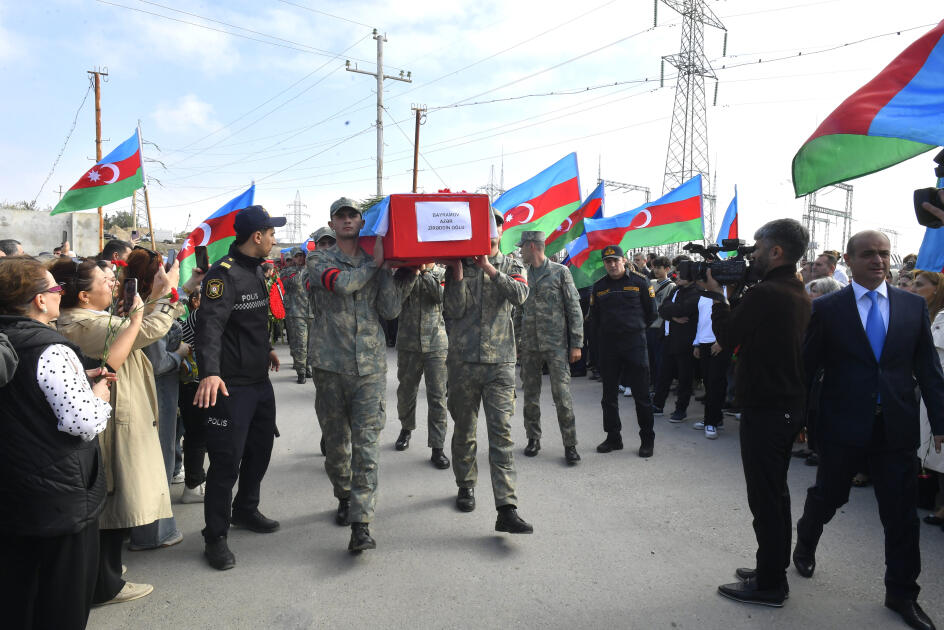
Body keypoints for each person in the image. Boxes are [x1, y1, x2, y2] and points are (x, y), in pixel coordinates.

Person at [794, 230, 944, 630]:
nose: (878, 261)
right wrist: (796, 421)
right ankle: (805, 540)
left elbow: (928, 369)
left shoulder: (912, 307)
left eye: (884, 254)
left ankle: (902, 594)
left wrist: (941, 421)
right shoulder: (827, 308)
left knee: (901, 516)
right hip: (842, 424)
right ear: (849, 259)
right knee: (830, 495)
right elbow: (807, 368)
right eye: (868, 255)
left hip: (896, 427)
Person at [695, 219, 812, 607]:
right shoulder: (793, 290)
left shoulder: (767, 294)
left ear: (776, 252)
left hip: (767, 407)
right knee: (775, 496)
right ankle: (770, 569)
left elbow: (728, 338)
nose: (752, 255)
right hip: (784, 406)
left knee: (765, 499)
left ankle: (770, 585)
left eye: (758, 247)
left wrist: (718, 296)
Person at [53, 256, 181, 605]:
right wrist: (164, 298)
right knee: (114, 503)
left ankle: (106, 574)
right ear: (82, 296)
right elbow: (143, 331)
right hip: (113, 422)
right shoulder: (79, 324)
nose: (113, 284)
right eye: (105, 281)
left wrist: (158, 296)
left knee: (117, 502)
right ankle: (104, 584)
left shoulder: (90, 318)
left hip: (119, 414)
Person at [0, 257, 113, 629]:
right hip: (58, 499)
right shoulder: (50, 348)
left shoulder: (8, 340)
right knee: (61, 601)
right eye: (55, 289)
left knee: (19, 595)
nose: (59, 295)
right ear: (38, 301)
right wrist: (98, 394)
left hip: (15, 491)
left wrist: (79, 377)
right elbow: (82, 421)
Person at [308, 197, 415, 552]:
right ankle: (343, 494)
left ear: (361, 222)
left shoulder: (375, 261)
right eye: (341, 216)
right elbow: (341, 284)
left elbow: (389, 308)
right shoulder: (318, 259)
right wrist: (376, 266)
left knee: (366, 445)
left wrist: (404, 275)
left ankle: (362, 522)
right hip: (330, 365)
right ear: (333, 223)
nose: (348, 220)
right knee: (337, 445)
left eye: (353, 215)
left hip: (368, 367)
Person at [194, 205, 284, 571]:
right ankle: (214, 537)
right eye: (272, 233)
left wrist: (267, 349)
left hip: (259, 382)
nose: (275, 240)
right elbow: (210, 327)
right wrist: (210, 373)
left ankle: (245, 509)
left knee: (260, 450)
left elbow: (248, 323)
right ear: (257, 236)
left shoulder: (256, 271)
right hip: (229, 387)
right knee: (226, 463)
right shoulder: (223, 276)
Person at [442, 208, 533, 534]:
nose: (488, 229)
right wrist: (457, 273)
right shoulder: (458, 264)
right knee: (464, 429)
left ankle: (506, 507)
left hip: (500, 363)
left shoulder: (512, 263)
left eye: (492, 224)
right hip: (463, 362)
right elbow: (452, 310)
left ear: (500, 229)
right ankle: (465, 484)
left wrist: (489, 268)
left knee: (501, 435)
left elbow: (520, 295)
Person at [123, 247, 198, 551]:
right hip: (156, 393)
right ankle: (154, 532)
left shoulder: (131, 300)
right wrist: (179, 354)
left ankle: (136, 527)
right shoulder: (149, 308)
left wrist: (189, 283)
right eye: (163, 268)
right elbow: (157, 361)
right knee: (158, 456)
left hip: (140, 392)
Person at [516, 230, 584, 464]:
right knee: (530, 396)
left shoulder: (560, 272)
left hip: (556, 345)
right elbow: (519, 310)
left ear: (532, 246)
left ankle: (570, 444)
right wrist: (517, 342)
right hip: (530, 345)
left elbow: (574, 309)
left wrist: (576, 343)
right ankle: (533, 438)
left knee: (562, 396)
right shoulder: (523, 275)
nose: (520, 251)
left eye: (522, 247)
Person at [587, 245, 657, 457]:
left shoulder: (640, 282)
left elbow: (651, 313)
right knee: (608, 396)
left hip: (635, 344)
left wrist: (633, 330)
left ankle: (647, 440)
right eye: (608, 261)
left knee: (642, 395)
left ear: (624, 260)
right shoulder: (599, 287)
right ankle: (613, 438)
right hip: (609, 347)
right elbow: (595, 318)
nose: (612, 264)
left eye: (615, 260)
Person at [393, 262, 450, 470]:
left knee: (438, 397)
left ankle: (438, 446)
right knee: (406, 392)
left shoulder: (442, 273)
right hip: (408, 344)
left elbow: (442, 298)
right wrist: (413, 272)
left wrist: (425, 272)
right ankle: (406, 428)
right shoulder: (402, 273)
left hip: (436, 344)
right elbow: (395, 301)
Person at [912, 271, 944, 532]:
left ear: (937, 289)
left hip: (938, 391)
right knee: (933, 452)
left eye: (920, 285)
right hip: (929, 391)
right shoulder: (929, 316)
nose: (913, 288)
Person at [651, 274, 700, 422]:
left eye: (682, 273)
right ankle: (658, 405)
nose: (677, 276)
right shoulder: (676, 290)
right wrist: (672, 317)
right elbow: (661, 309)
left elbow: (683, 309)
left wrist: (671, 312)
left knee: (684, 378)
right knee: (664, 375)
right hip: (668, 338)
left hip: (684, 341)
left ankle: (681, 409)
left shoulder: (696, 291)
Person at [281, 247, 313, 384]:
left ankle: (308, 367)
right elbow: (293, 283)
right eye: (297, 256)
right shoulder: (287, 272)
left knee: (311, 343)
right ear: (293, 258)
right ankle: (301, 371)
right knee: (300, 342)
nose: (300, 258)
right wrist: (303, 269)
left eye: (302, 256)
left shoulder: (311, 270)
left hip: (312, 312)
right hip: (296, 312)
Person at [647, 256, 676, 392]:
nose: (656, 270)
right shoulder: (650, 283)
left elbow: (669, 307)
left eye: (659, 268)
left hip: (661, 326)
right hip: (649, 326)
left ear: (667, 269)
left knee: (660, 359)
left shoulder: (671, 286)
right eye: (654, 267)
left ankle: (660, 386)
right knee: (650, 358)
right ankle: (651, 382)